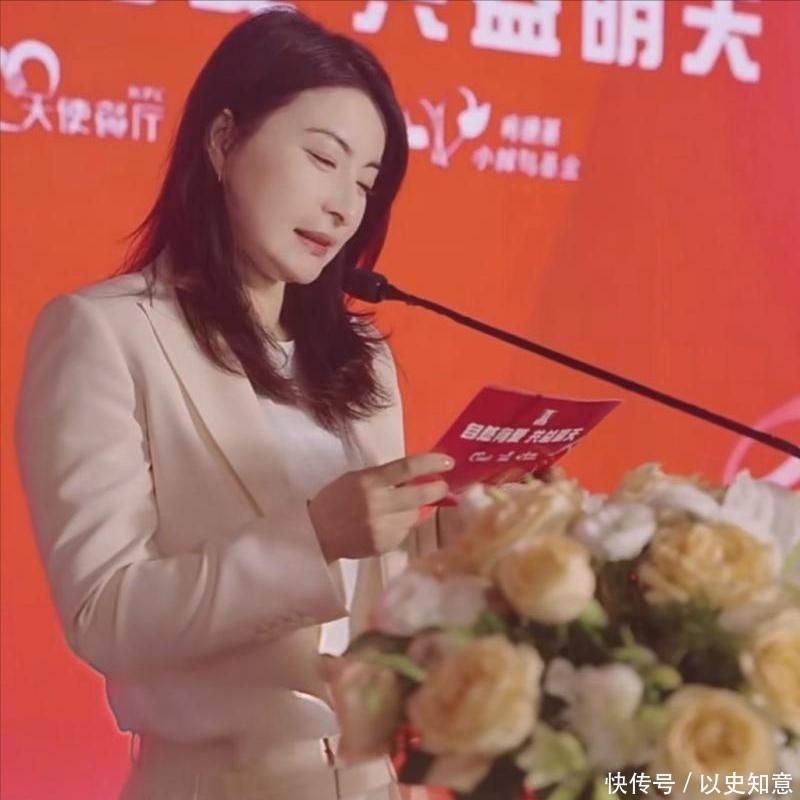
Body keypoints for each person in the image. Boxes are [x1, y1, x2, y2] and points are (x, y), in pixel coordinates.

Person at [15, 8, 462, 799]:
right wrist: (315, 536)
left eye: (365, 183)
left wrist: (458, 535)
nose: (344, 206)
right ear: (224, 140)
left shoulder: (362, 361)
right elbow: (106, 614)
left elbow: (374, 606)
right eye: (323, 158)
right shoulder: (102, 334)